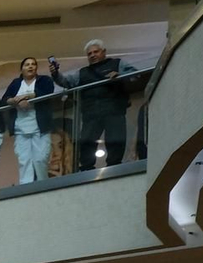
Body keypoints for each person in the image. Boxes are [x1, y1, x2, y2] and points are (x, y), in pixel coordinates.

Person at [50, 40, 139, 172]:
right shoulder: (82, 72)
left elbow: (135, 74)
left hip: (113, 109)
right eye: (89, 53)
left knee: (115, 140)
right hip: (91, 113)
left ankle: (114, 167)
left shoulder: (117, 64)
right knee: (86, 142)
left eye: (95, 52)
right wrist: (55, 74)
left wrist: (120, 75)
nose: (92, 55)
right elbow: (67, 82)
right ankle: (86, 169)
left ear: (104, 52)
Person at [3, 56, 60, 184]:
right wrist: (14, 101)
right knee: (24, 160)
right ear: (21, 69)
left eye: (33, 64)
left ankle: (43, 185)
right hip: (20, 128)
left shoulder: (44, 80)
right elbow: (5, 98)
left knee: (40, 159)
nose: (30, 66)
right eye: (27, 64)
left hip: (40, 127)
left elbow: (48, 92)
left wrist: (28, 96)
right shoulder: (16, 83)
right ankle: (25, 187)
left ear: (36, 68)